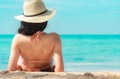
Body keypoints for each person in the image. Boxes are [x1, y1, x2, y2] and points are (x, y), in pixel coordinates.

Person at [8, 0, 64, 72]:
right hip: (46, 70)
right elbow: (60, 70)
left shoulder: (18, 39)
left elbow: (10, 69)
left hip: (25, 70)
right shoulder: (54, 38)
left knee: (20, 62)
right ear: (45, 20)